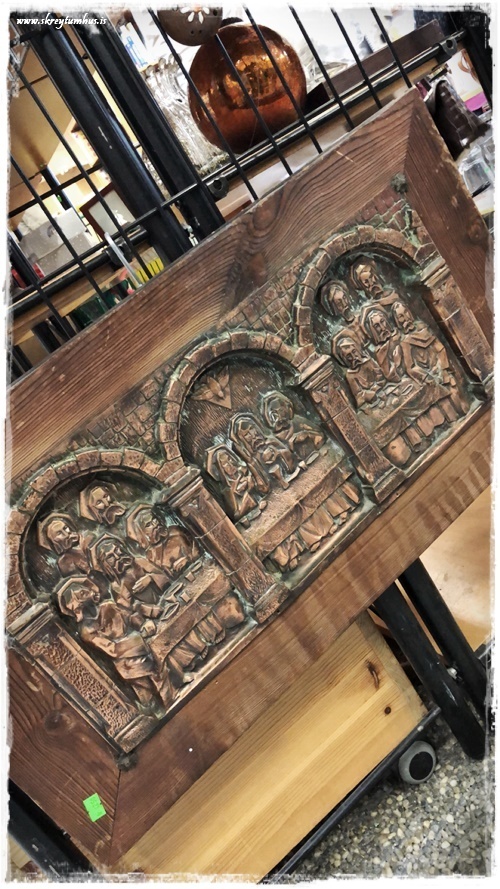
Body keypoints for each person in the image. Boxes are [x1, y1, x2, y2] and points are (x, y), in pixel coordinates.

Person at [56, 575, 174, 711]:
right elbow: (112, 649)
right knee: (149, 694)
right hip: (128, 663)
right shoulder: (87, 631)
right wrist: (140, 637)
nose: (90, 591)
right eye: (83, 593)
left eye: (86, 589)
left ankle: (172, 698)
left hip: (143, 649)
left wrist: (144, 623)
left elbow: (128, 617)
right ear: (76, 606)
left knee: (163, 672)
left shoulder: (108, 606)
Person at [126, 504, 201, 579]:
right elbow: (166, 577)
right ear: (143, 532)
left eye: (155, 520)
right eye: (149, 525)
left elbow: (197, 549)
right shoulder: (151, 555)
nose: (155, 525)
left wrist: (187, 559)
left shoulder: (177, 532)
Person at [230, 413, 298, 490]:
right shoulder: (253, 461)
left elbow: (292, 460)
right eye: (246, 434)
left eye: (252, 428)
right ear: (243, 440)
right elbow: (264, 488)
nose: (253, 435)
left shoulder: (271, 441)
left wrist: (278, 453)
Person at [261, 391, 324, 464]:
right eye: (274, 413)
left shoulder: (297, 421)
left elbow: (320, 436)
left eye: (281, 410)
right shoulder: (272, 440)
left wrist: (307, 434)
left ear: (288, 408)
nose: (279, 416)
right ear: (269, 417)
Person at [205, 445, 265, 521]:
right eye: (225, 464)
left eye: (229, 459)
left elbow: (260, 486)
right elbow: (236, 514)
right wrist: (248, 491)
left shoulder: (243, 471)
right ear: (221, 469)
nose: (230, 465)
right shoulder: (227, 490)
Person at [37, 512, 93, 576]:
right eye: (59, 533)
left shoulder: (88, 539)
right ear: (54, 541)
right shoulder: (64, 561)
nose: (66, 534)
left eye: (65, 528)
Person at [361, 305, 405, 382]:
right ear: (373, 330)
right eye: (376, 326)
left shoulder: (398, 334)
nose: (382, 328)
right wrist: (396, 362)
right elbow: (389, 376)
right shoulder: (380, 351)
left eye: (382, 321)